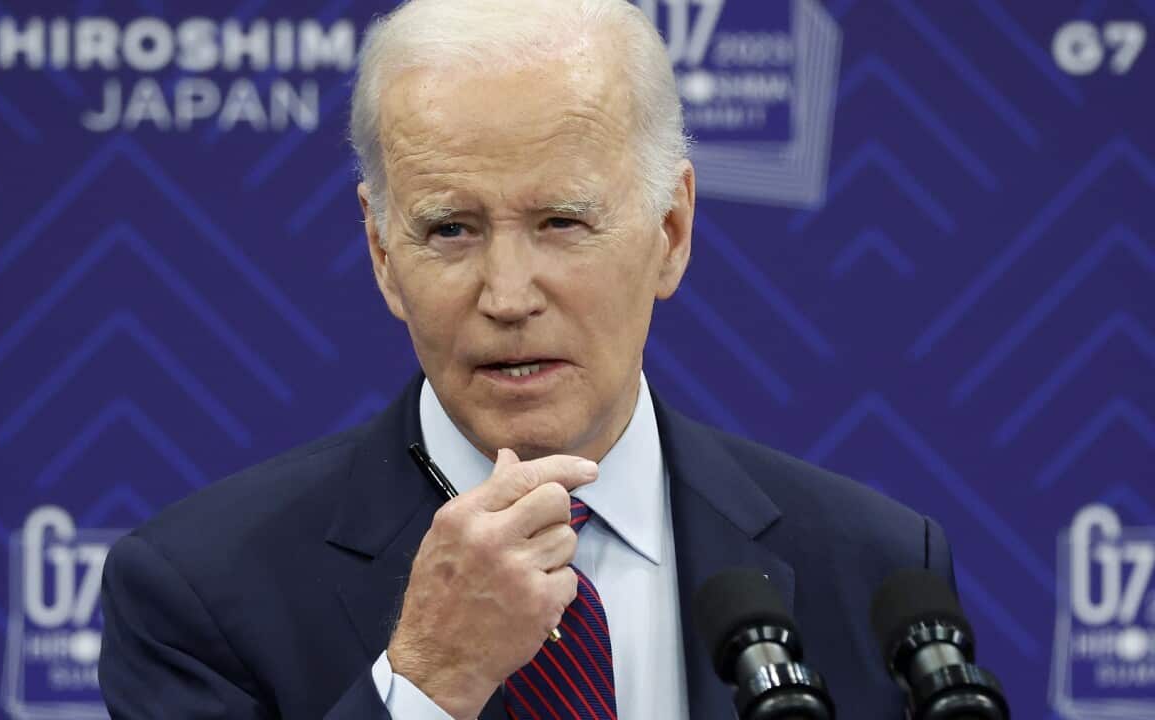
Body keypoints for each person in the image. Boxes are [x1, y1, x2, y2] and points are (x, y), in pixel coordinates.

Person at [98, 1, 956, 718]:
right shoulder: (201, 591)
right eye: (449, 229)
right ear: (382, 252)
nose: (507, 295)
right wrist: (425, 685)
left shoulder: (876, 568)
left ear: (671, 232)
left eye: (562, 223)